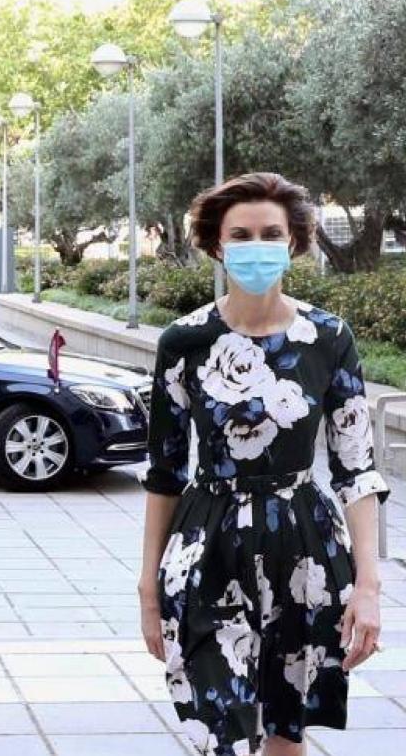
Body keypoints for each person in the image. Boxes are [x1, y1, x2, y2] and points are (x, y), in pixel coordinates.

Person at [139, 173, 388, 756]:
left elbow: (356, 468)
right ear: (217, 245)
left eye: (271, 234)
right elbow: (164, 472)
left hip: (305, 547)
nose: (257, 246)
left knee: (284, 729)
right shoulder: (185, 341)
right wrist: (147, 586)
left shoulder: (328, 338)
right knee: (219, 728)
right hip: (207, 546)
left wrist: (369, 585)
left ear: (293, 241)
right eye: (241, 235)